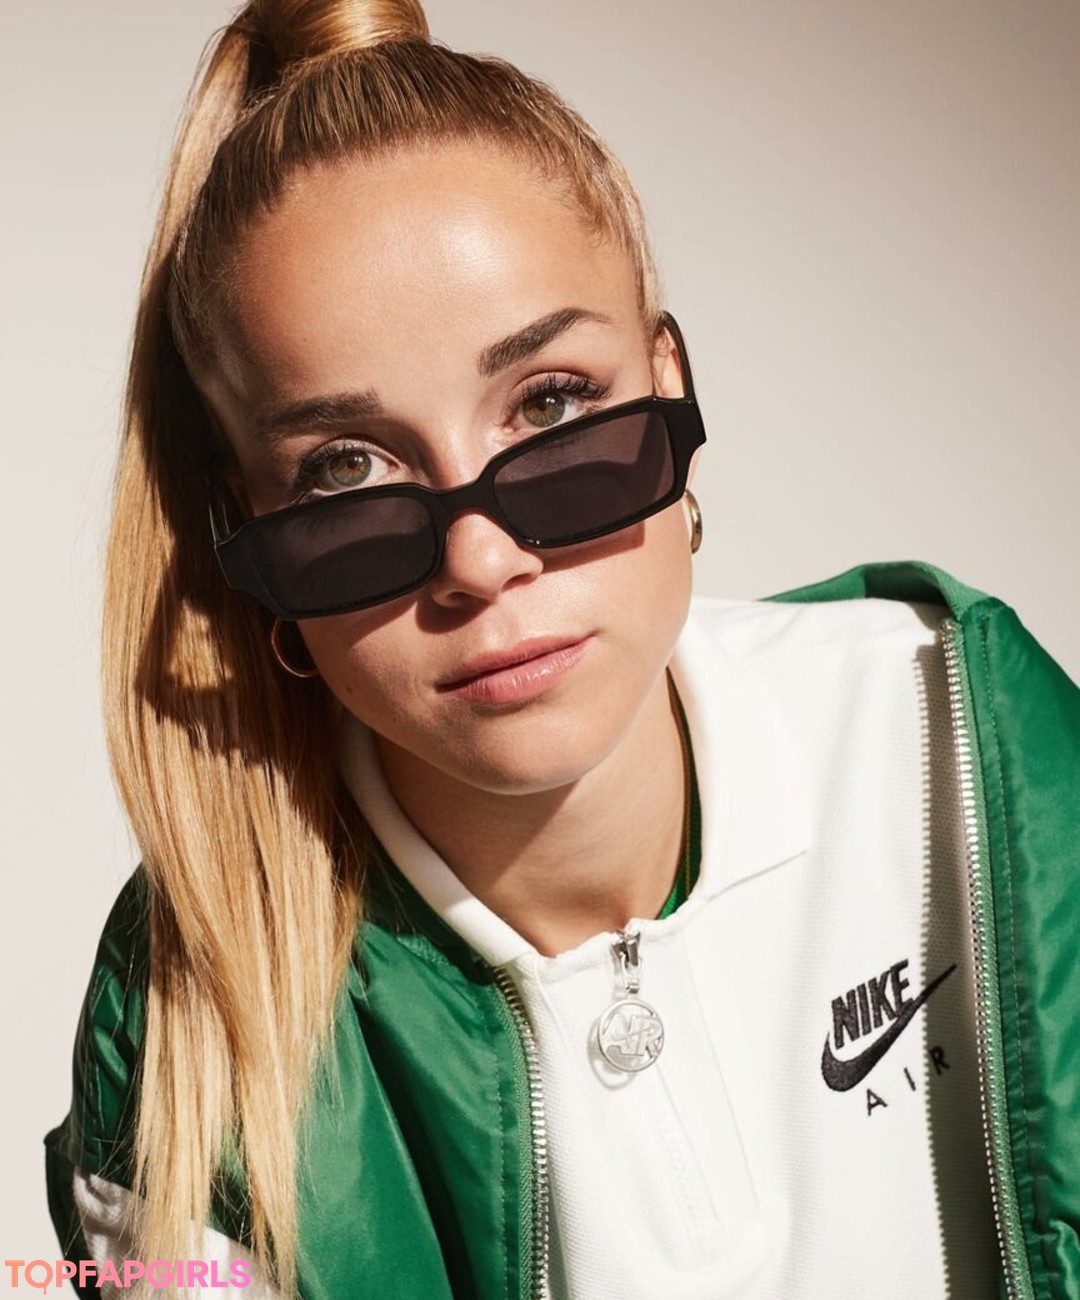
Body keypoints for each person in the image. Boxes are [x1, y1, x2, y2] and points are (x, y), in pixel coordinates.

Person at [43, 2, 1080, 1297]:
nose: (479, 562)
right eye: (345, 471)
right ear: (245, 539)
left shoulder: (967, 738)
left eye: (550, 406)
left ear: (667, 381)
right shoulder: (188, 1020)